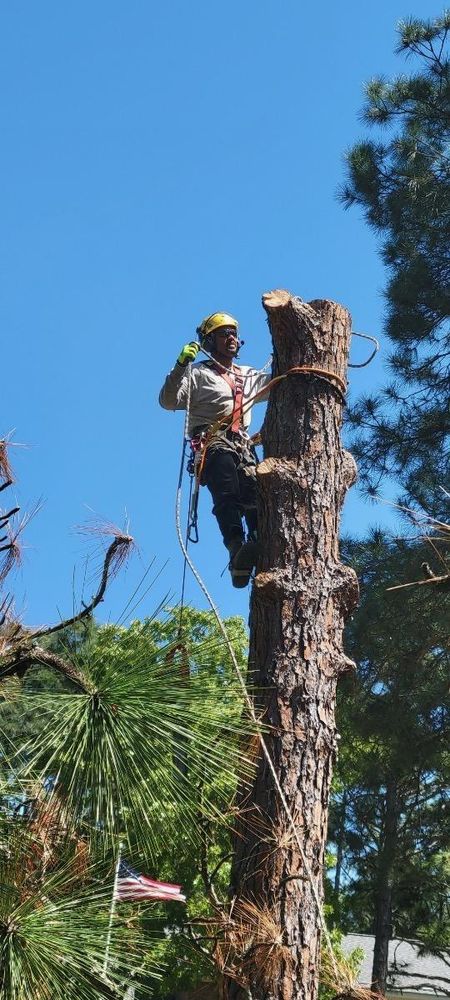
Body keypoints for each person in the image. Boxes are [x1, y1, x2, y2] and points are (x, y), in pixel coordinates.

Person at [159, 312, 271, 587]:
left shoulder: (248, 375)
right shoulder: (196, 373)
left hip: (242, 443)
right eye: (224, 334)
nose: (231, 338)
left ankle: (257, 542)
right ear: (210, 341)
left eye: (234, 333)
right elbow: (168, 400)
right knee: (226, 485)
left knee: (255, 489)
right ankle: (235, 546)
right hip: (211, 441)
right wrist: (180, 365)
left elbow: (280, 380)